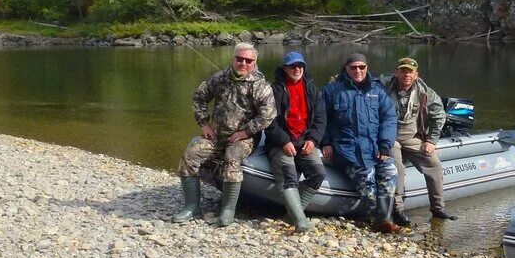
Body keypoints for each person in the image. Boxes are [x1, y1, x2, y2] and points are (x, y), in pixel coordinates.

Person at [172, 42, 275, 227]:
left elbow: (268, 114)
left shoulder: (260, 86)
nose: (243, 63)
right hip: (216, 135)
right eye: (239, 59)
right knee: (190, 155)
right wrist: (204, 123)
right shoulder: (220, 78)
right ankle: (192, 207)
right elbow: (199, 96)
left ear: (254, 63)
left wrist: (246, 132)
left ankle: (228, 211)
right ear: (233, 59)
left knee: (232, 159)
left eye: (248, 60)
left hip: (243, 139)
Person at [321, 53, 403, 234]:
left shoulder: (377, 91)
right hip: (348, 150)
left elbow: (389, 118)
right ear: (346, 69)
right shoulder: (332, 90)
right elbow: (321, 119)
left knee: (390, 171)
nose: (358, 71)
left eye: (361, 67)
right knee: (368, 183)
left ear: (366, 68)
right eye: (353, 67)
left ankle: (385, 220)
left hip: (374, 147)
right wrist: (325, 142)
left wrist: (384, 145)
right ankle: (383, 221)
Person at [381, 57, 456, 225]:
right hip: (389, 135)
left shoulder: (425, 92)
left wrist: (431, 140)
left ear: (416, 75)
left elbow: (439, 115)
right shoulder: (383, 87)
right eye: (403, 71)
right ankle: (398, 209)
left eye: (410, 72)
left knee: (434, 163)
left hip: (412, 136)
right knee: (397, 166)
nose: (406, 75)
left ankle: (438, 208)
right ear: (397, 72)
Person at [265, 50, 327, 232]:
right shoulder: (274, 91)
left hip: (305, 140)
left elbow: (320, 119)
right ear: (285, 68)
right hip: (281, 143)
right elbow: (269, 122)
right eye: (292, 66)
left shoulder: (312, 91)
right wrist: (284, 141)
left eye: (300, 65)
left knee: (318, 173)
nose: (296, 69)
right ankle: (300, 220)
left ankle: (290, 214)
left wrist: (313, 140)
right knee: (288, 174)